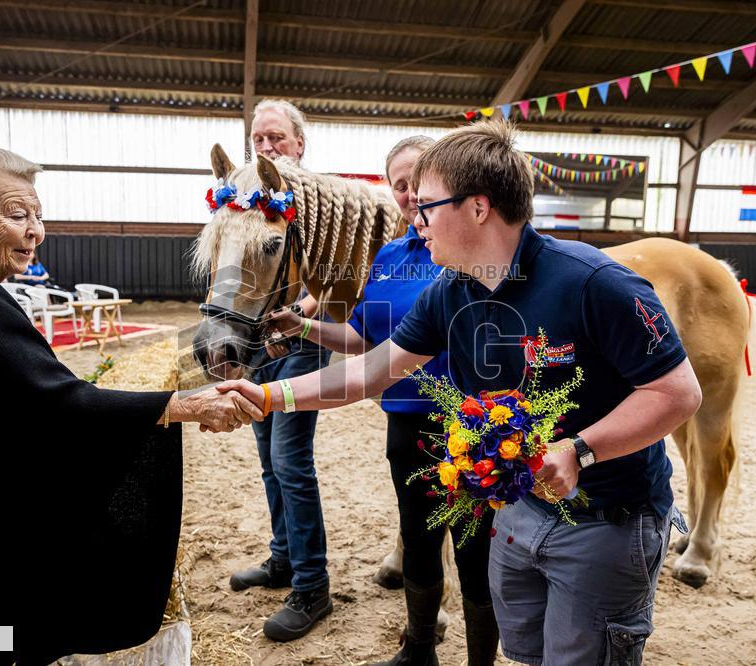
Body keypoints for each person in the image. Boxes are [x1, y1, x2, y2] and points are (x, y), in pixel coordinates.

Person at [218, 121, 702, 665]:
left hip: (605, 519)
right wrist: (267, 397)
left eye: (425, 205)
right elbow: (373, 370)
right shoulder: (451, 289)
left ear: (477, 208)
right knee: (530, 653)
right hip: (519, 512)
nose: (414, 218)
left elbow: (678, 392)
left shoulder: (595, 282)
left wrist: (580, 449)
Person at [0, 147, 262, 665]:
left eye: (38, 215)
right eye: (17, 214)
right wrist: (183, 404)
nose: (36, 232)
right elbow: (54, 405)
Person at [265, 136, 498, 664]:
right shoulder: (390, 256)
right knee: (417, 535)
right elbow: (368, 341)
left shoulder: (470, 252)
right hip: (409, 418)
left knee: (473, 547)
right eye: (400, 185)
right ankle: (419, 647)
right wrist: (303, 326)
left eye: (421, 181)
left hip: (477, 423)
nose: (412, 193)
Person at [225, 98, 336, 643]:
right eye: (259, 139)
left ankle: (314, 585)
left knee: (291, 459)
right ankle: (284, 560)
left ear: (299, 143)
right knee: (269, 458)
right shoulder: (247, 199)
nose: (266, 147)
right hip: (257, 341)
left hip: (303, 339)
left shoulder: (315, 201)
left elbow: (332, 275)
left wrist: (298, 318)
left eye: (276, 138)